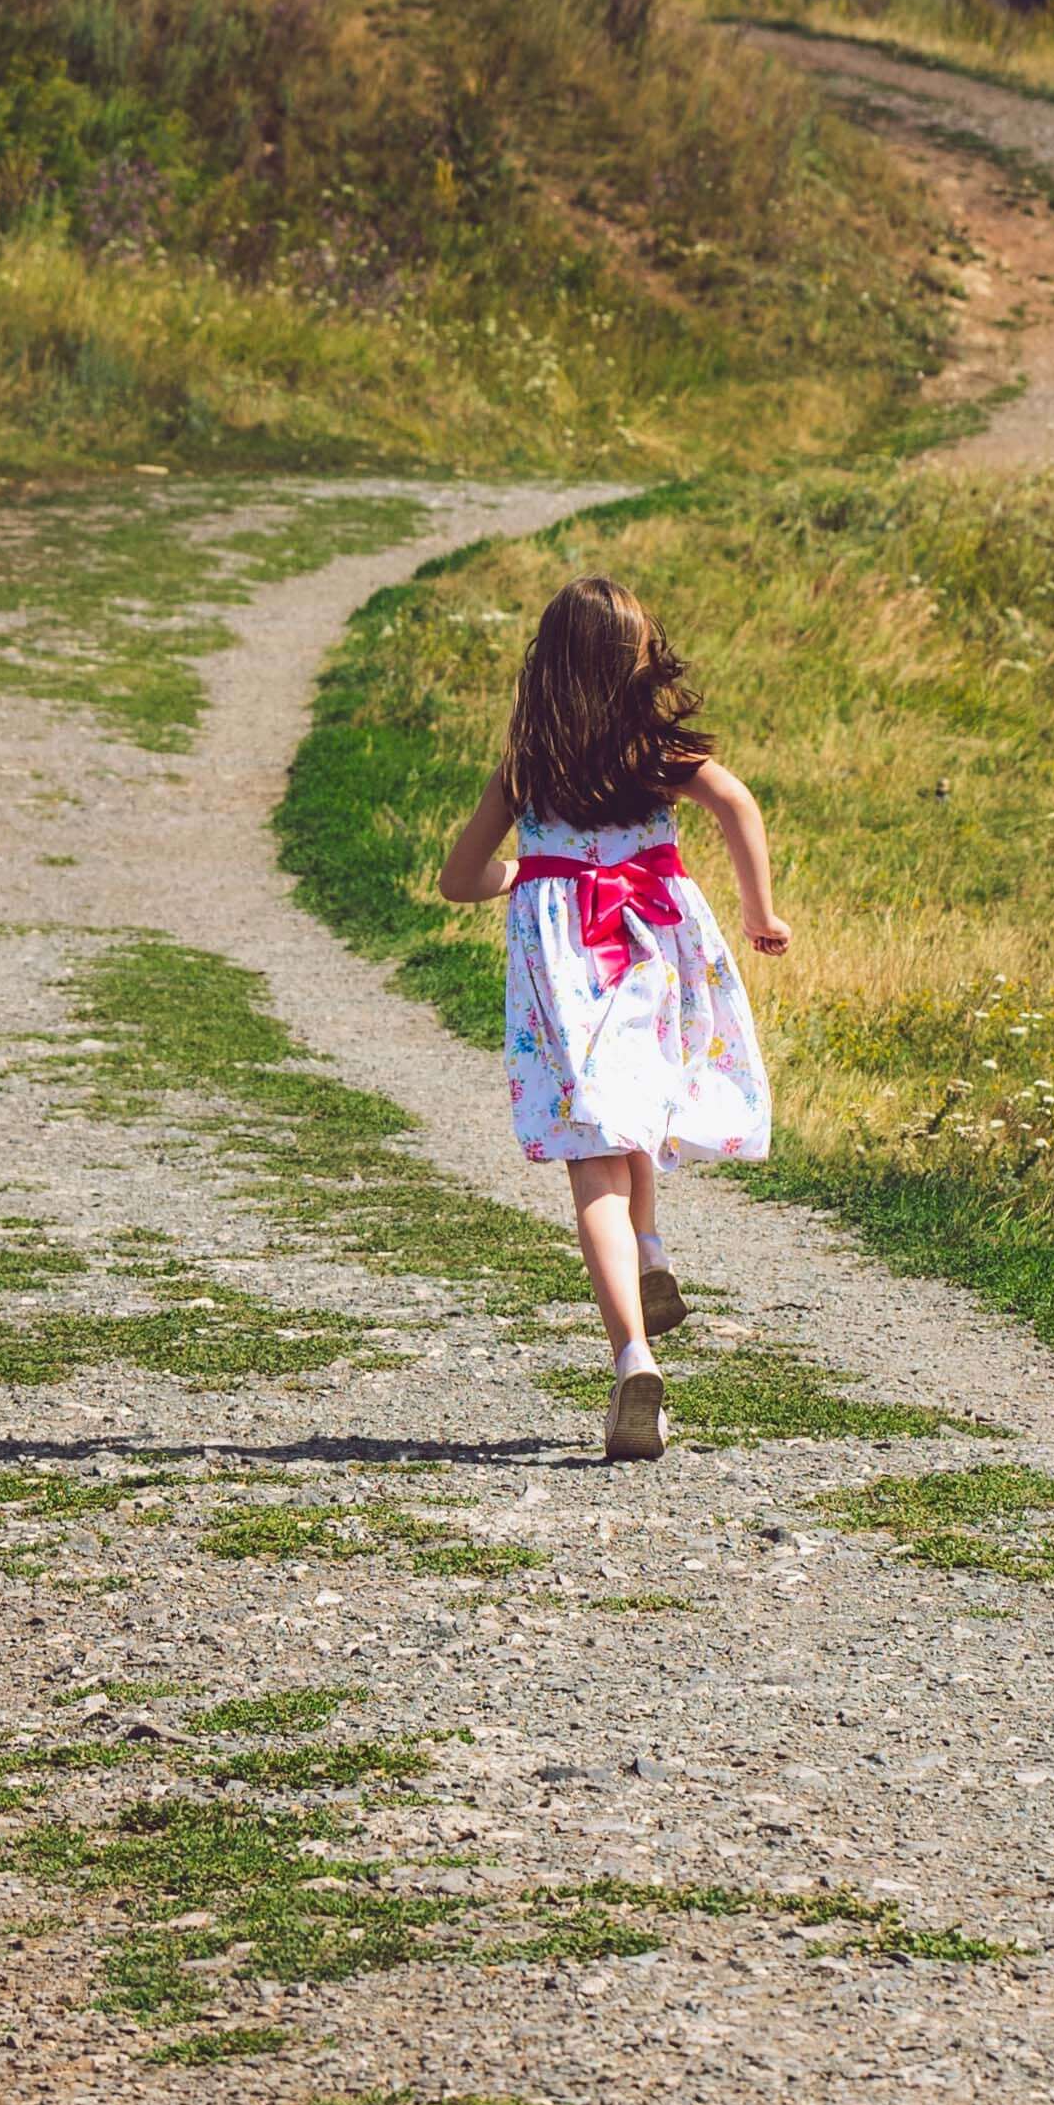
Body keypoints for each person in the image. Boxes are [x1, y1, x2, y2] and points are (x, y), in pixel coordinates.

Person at [433, 576, 781, 1462]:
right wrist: (758, 912)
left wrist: (526, 875)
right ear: (637, 665)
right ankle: (652, 1244)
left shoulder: (526, 771)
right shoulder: (659, 755)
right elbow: (739, 805)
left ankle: (631, 1355)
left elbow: (458, 880)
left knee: (595, 1158)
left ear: (546, 669)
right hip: (650, 953)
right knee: (639, 1110)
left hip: (566, 973)